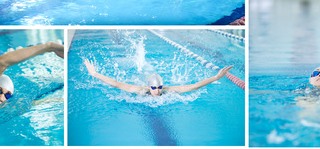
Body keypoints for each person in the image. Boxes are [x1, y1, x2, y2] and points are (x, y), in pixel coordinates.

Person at [84, 59, 232, 96]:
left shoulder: (168, 91)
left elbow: (193, 86)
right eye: (154, 88)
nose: (157, 91)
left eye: (159, 87)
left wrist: (215, 78)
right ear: (149, 86)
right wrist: (95, 74)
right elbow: (117, 84)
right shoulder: (141, 91)